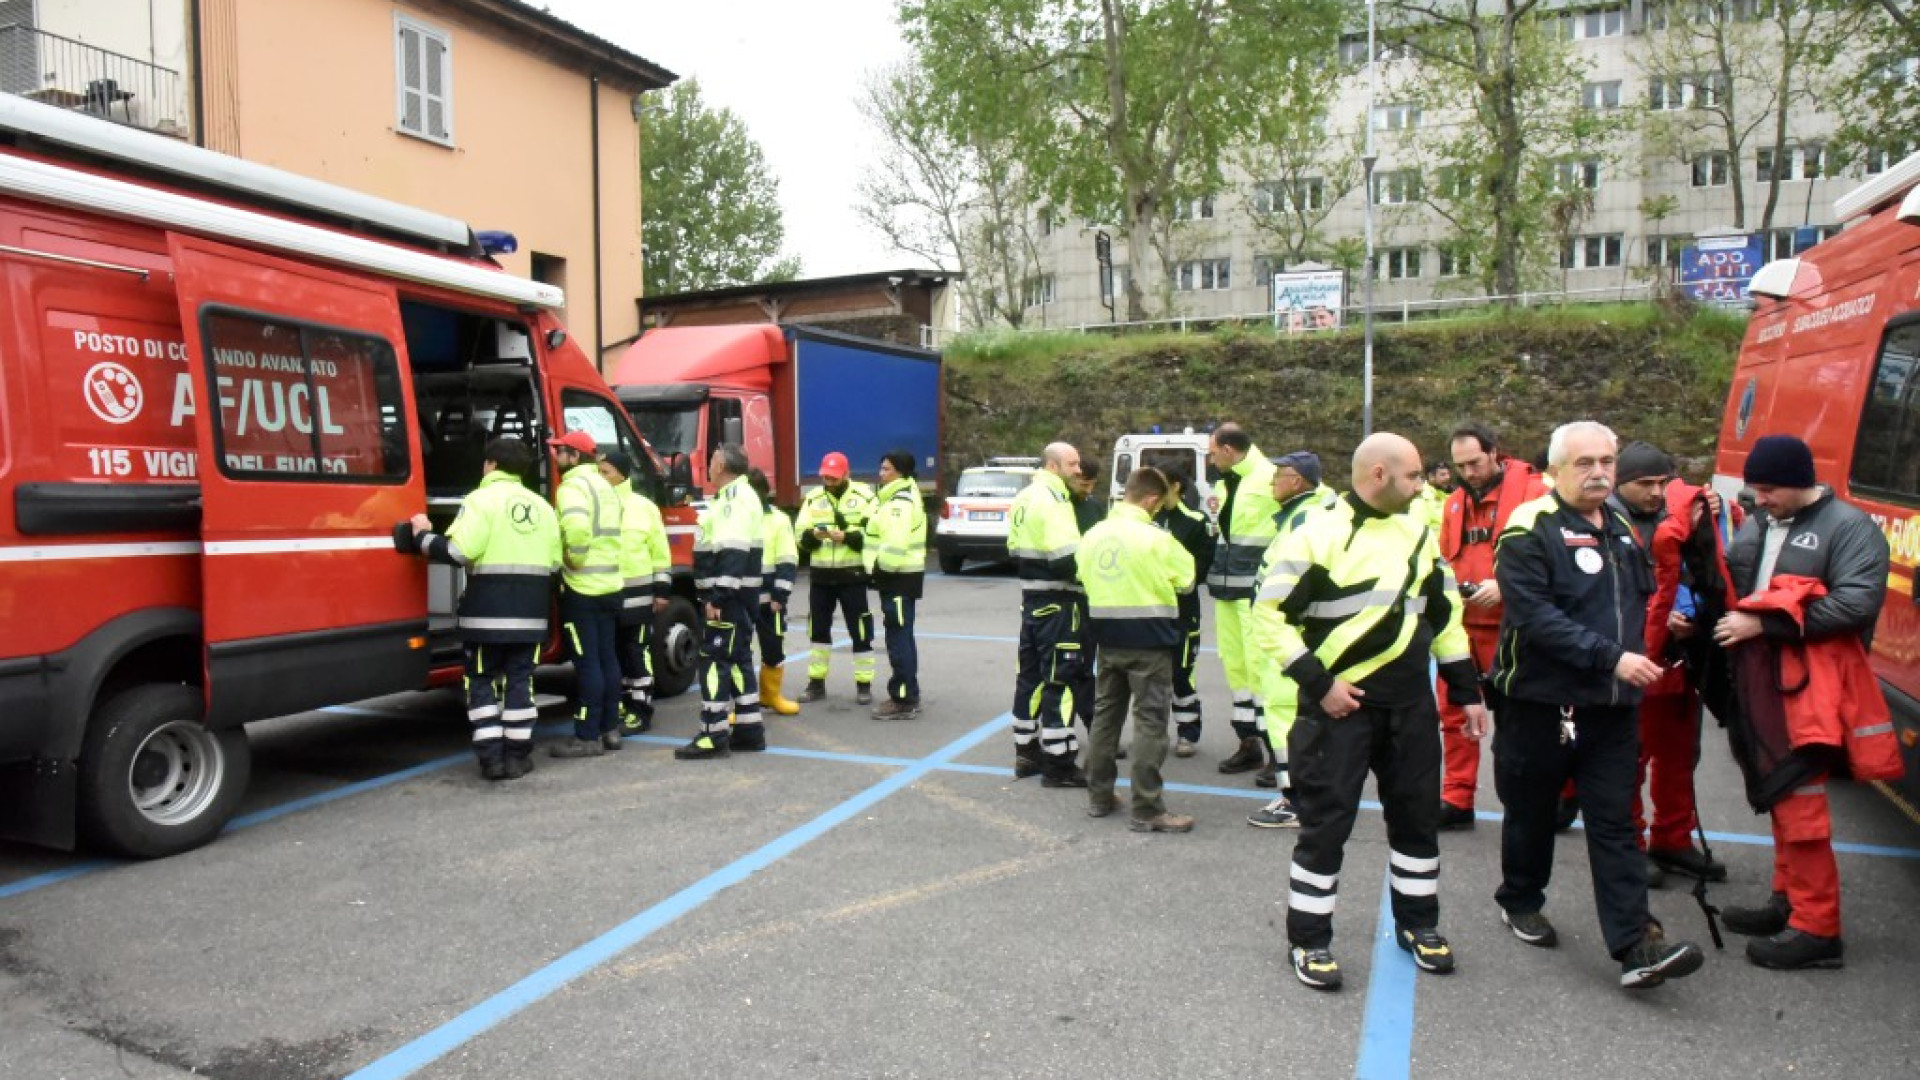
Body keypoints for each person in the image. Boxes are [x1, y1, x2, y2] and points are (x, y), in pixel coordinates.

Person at [1253, 433, 1484, 992]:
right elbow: (1268, 617)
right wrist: (1320, 682)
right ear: (1379, 474)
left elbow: (1445, 617)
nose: (1423, 485)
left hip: (1409, 706)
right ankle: (1308, 939)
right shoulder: (1315, 534)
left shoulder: (1418, 534)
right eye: (1413, 477)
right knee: (1326, 827)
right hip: (1339, 709)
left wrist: (1468, 693)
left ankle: (1419, 926)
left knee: (1416, 820)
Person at [1491, 421, 1705, 991]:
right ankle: (1519, 898)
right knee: (1532, 814)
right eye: (1584, 463)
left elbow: (1638, 603)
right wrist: (1612, 657)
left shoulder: (1620, 527)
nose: (1599, 473)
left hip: (1611, 709)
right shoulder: (1527, 527)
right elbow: (1536, 618)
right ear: (1554, 471)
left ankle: (1636, 944)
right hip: (1539, 704)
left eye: (1606, 462)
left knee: (1615, 823)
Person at [1715, 434, 1892, 970]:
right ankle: (1787, 900)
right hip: (1766, 679)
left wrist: (1763, 623)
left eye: (1768, 489)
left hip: (1812, 684)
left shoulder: (1850, 527)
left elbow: (1857, 604)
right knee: (1779, 790)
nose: (1758, 499)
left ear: (1799, 481)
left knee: (1802, 800)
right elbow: (1737, 575)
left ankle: (1817, 930)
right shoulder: (1767, 522)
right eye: (1755, 489)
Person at [1608, 442, 1726, 887]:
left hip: (1678, 660)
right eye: (1645, 484)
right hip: (1630, 658)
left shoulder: (1685, 518)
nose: (1656, 492)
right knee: (1627, 760)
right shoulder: (1603, 524)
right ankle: (1631, 845)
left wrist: (1691, 614)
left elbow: (1705, 572)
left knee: (1680, 756)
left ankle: (1672, 839)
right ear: (1622, 484)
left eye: (1662, 482)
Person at [406, 437, 560, 780]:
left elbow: (459, 552)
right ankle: (518, 757)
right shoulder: (543, 507)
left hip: (485, 616)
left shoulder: (479, 500)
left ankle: (491, 759)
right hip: (531, 615)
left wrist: (421, 536)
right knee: (521, 682)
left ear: (490, 464)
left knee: (481, 682)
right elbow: (553, 566)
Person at [1436, 423, 1547, 831]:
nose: (1469, 471)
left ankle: (1551, 799)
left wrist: (1506, 586)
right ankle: (1456, 798)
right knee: (1453, 714)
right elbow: (1445, 562)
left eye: (1476, 462)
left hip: (1515, 628)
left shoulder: (1535, 494)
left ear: (1495, 453)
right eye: (1461, 465)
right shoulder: (1453, 504)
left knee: (1531, 720)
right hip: (1464, 627)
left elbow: (1555, 559)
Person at [1079, 467, 1196, 832]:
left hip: (1107, 641)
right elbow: (1188, 580)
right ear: (1149, 499)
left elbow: (1082, 578)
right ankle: (1147, 809)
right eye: (1157, 505)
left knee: (1105, 718)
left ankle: (1099, 797)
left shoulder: (1093, 535)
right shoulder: (1157, 539)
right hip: (1150, 642)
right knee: (1150, 723)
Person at [1245, 450, 1337, 828]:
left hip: (1288, 632)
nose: (1271, 483)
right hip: (1293, 629)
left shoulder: (1303, 519)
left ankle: (1295, 799)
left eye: (1277, 476)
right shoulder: (1311, 512)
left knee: (1285, 716)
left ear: (1296, 481)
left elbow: (1290, 581)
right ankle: (1307, 793)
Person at [1008, 441, 1091, 787]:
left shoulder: (1025, 496)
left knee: (1030, 678)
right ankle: (1059, 763)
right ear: (1054, 466)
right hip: (1060, 602)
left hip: (1033, 599)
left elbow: (1015, 548)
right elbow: (1066, 560)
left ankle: (1027, 753)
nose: (1079, 470)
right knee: (1062, 679)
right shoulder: (1054, 500)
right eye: (1073, 463)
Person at [678, 443, 767, 760]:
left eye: (712, 459)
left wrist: (717, 596)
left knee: (714, 661)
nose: (708, 464)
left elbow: (732, 551)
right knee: (740, 659)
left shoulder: (734, 500)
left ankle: (713, 734)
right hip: (737, 597)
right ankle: (748, 729)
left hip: (727, 598)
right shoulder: (737, 497)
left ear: (723, 466)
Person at [1205, 423, 1282, 778]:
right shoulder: (1225, 483)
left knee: (1261, 670)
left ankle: (1276, 753)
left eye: (1212, 451)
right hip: (1226, 592)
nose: (1209, 458)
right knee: (1236, 669)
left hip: (1256, 594)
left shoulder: (1270, 478)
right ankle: (1248, 744)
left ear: (1228, 449)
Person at [549, 429, 624, 758]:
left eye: (560, 451)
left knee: (587, 664)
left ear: (575, 456)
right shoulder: (605, 486)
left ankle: (586, 736)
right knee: (608, 659)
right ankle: (610, 729)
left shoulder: (573, 487)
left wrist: (571, 559)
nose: (555, 457)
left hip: (583, 588)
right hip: (609, 586)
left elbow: (577, 530)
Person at [599, 451, 672, 734]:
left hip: (639, 597)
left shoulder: (643, 507)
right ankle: (617, 706)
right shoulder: (595, 504)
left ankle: (640, 712)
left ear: (621, 474)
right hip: (606, 594)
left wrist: (662, 590)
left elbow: (659, 552)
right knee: (611, 655)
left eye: (605, 472)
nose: (600, 477)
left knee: (634, 655)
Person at [796, 451, 877, 704]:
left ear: (846, 474)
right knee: (818, 630)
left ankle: (864, 685)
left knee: (860, 630)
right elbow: (800, 536)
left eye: (834, 477)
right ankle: (816, 683)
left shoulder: (864, 497)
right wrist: (813, 537)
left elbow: (874, 534)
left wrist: (848, 537)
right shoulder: (813, 499)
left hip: (852, 575)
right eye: (825, 477)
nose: (828, 482)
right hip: (821, 577)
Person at [1154, 464, 1215, 757]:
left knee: (1182, 674)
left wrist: (1168, 581)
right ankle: (1152, 733)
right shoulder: (1147, 518)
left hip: (1182, 612)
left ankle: (1188, 733)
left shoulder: (1196, 521)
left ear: (1176, 485)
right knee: (1150, 675)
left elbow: (1198, 570)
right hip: (1150, 611)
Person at [866, 449, 928, 719]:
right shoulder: (899, 497)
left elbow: (894, 545)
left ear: (901, 472)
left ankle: (903, 699)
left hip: (897, 578)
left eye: (887, 469)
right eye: (881, 469)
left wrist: (878, 571)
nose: (881, 474)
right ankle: (908, 692)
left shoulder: (898, 504)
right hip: (902, 578)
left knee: (898, 638)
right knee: (901, 635)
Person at [746, 469, 801, 716]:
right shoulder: (736, 519)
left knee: (773, 648)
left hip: (770, 601)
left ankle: (771, 696)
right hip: (742, 599)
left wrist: (780, 596)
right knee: (740, 652)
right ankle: (744, 701)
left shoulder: (778, 520)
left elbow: (787, 560)